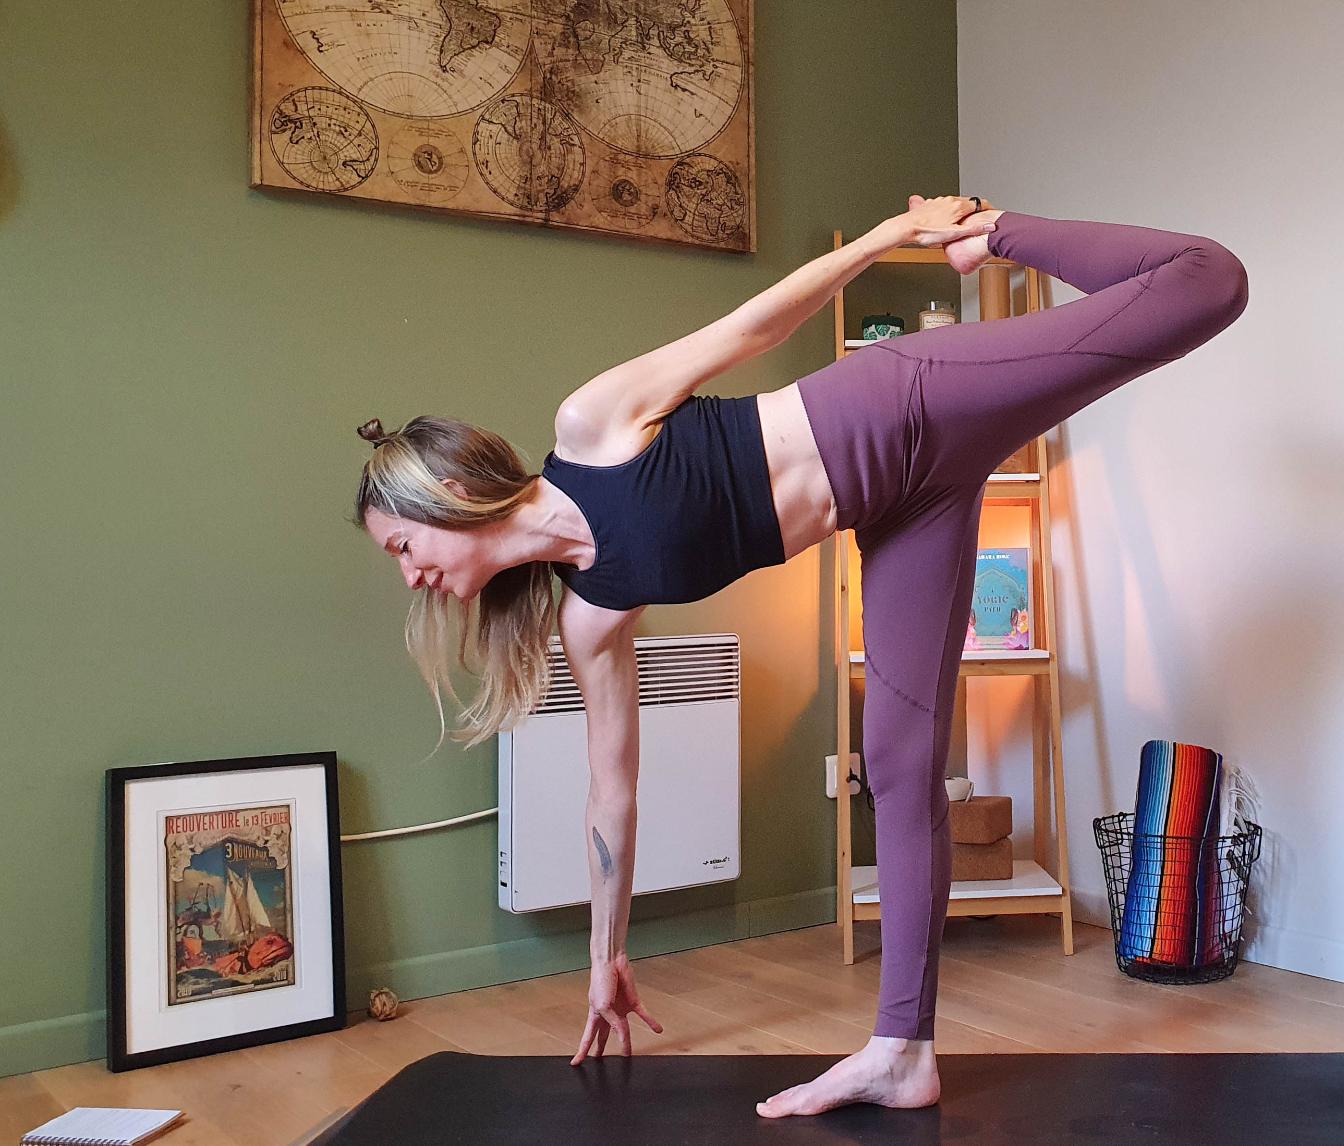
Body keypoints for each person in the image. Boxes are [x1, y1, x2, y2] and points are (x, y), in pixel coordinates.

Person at [352, 194, 1249, 1117]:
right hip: (901, 511)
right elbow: (610, 790)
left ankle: (994, 228)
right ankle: (902, 1053)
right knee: (898, 763)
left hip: (908, 399)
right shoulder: (590, 615)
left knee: (1206, 282)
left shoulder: (590, 428)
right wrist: (603, 957)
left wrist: (893, 235)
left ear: (449, 492)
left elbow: (756, 326)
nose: (411, 576)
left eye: (403, 547)